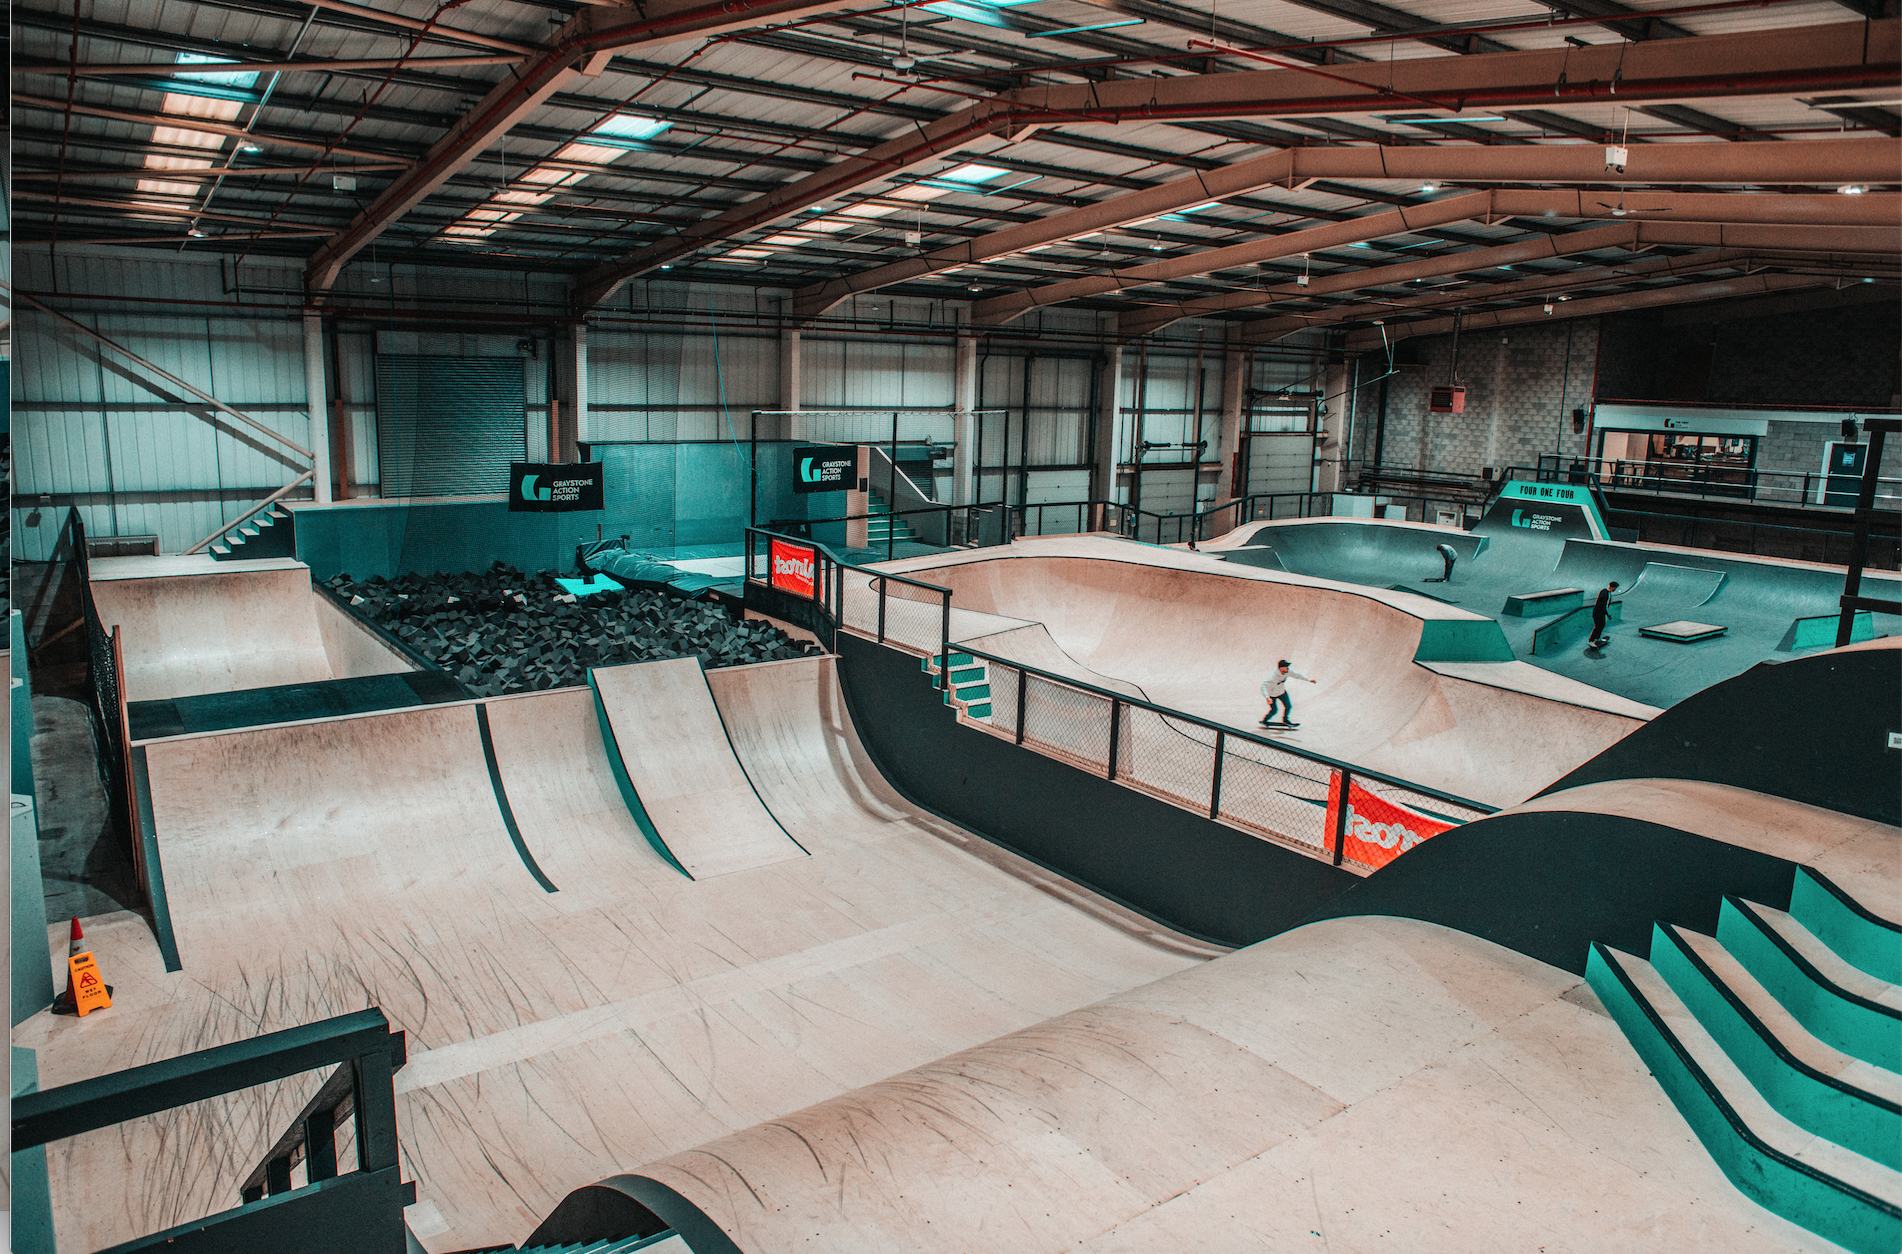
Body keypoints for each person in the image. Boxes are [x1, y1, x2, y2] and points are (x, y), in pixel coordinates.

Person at [1260, 659, 1315, 726]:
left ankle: (1285, 720)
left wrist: (1308, 679)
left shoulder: (1288, 671)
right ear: (1281, 668)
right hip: (1272, 694)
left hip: (1281, 692)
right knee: (1274, 710)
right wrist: (1267, 697)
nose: (1287, 668)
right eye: (1286, 667)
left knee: (1288, 706)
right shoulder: (1273, 677)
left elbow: (1297, 675)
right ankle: (1265, 720)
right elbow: (1263, 686)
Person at [1590, 581, 1619, 647]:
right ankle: (1591, 640)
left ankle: (1597, 638)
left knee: (1601, 625)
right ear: (1613, 587)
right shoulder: (1606, 594)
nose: (1615, 589)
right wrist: (1609, 615)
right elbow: (1605, 606)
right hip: (1598, 613)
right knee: (1598, 626)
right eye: (1615, 588)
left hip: (1599, 612)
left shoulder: (1604, 591)